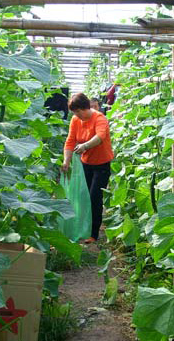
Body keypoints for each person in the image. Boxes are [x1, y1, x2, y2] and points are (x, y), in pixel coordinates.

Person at [62, 93, 114, 244]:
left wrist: (85, 145)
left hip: (102, 164)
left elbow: (100, 136)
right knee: (83, 197)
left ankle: (93, 233)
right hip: (86, 163)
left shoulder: (99, 118)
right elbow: (70, 141)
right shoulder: (75, 120)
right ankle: (83, 228)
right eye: (74, 113)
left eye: (79, 111)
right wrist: (66, 161)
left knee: (94, 198)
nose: (77, 115)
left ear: (85, 107)